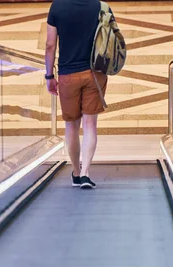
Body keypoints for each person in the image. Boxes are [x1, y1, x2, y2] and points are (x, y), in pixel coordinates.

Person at [45, 0, 112, 189]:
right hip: (95, 72)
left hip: (68, 75)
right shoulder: (101, 7)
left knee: (71, 126)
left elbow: (50, 45)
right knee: (90, 124)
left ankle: (75, 171)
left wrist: (49, 75)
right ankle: (85, 173)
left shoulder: (57, 7)